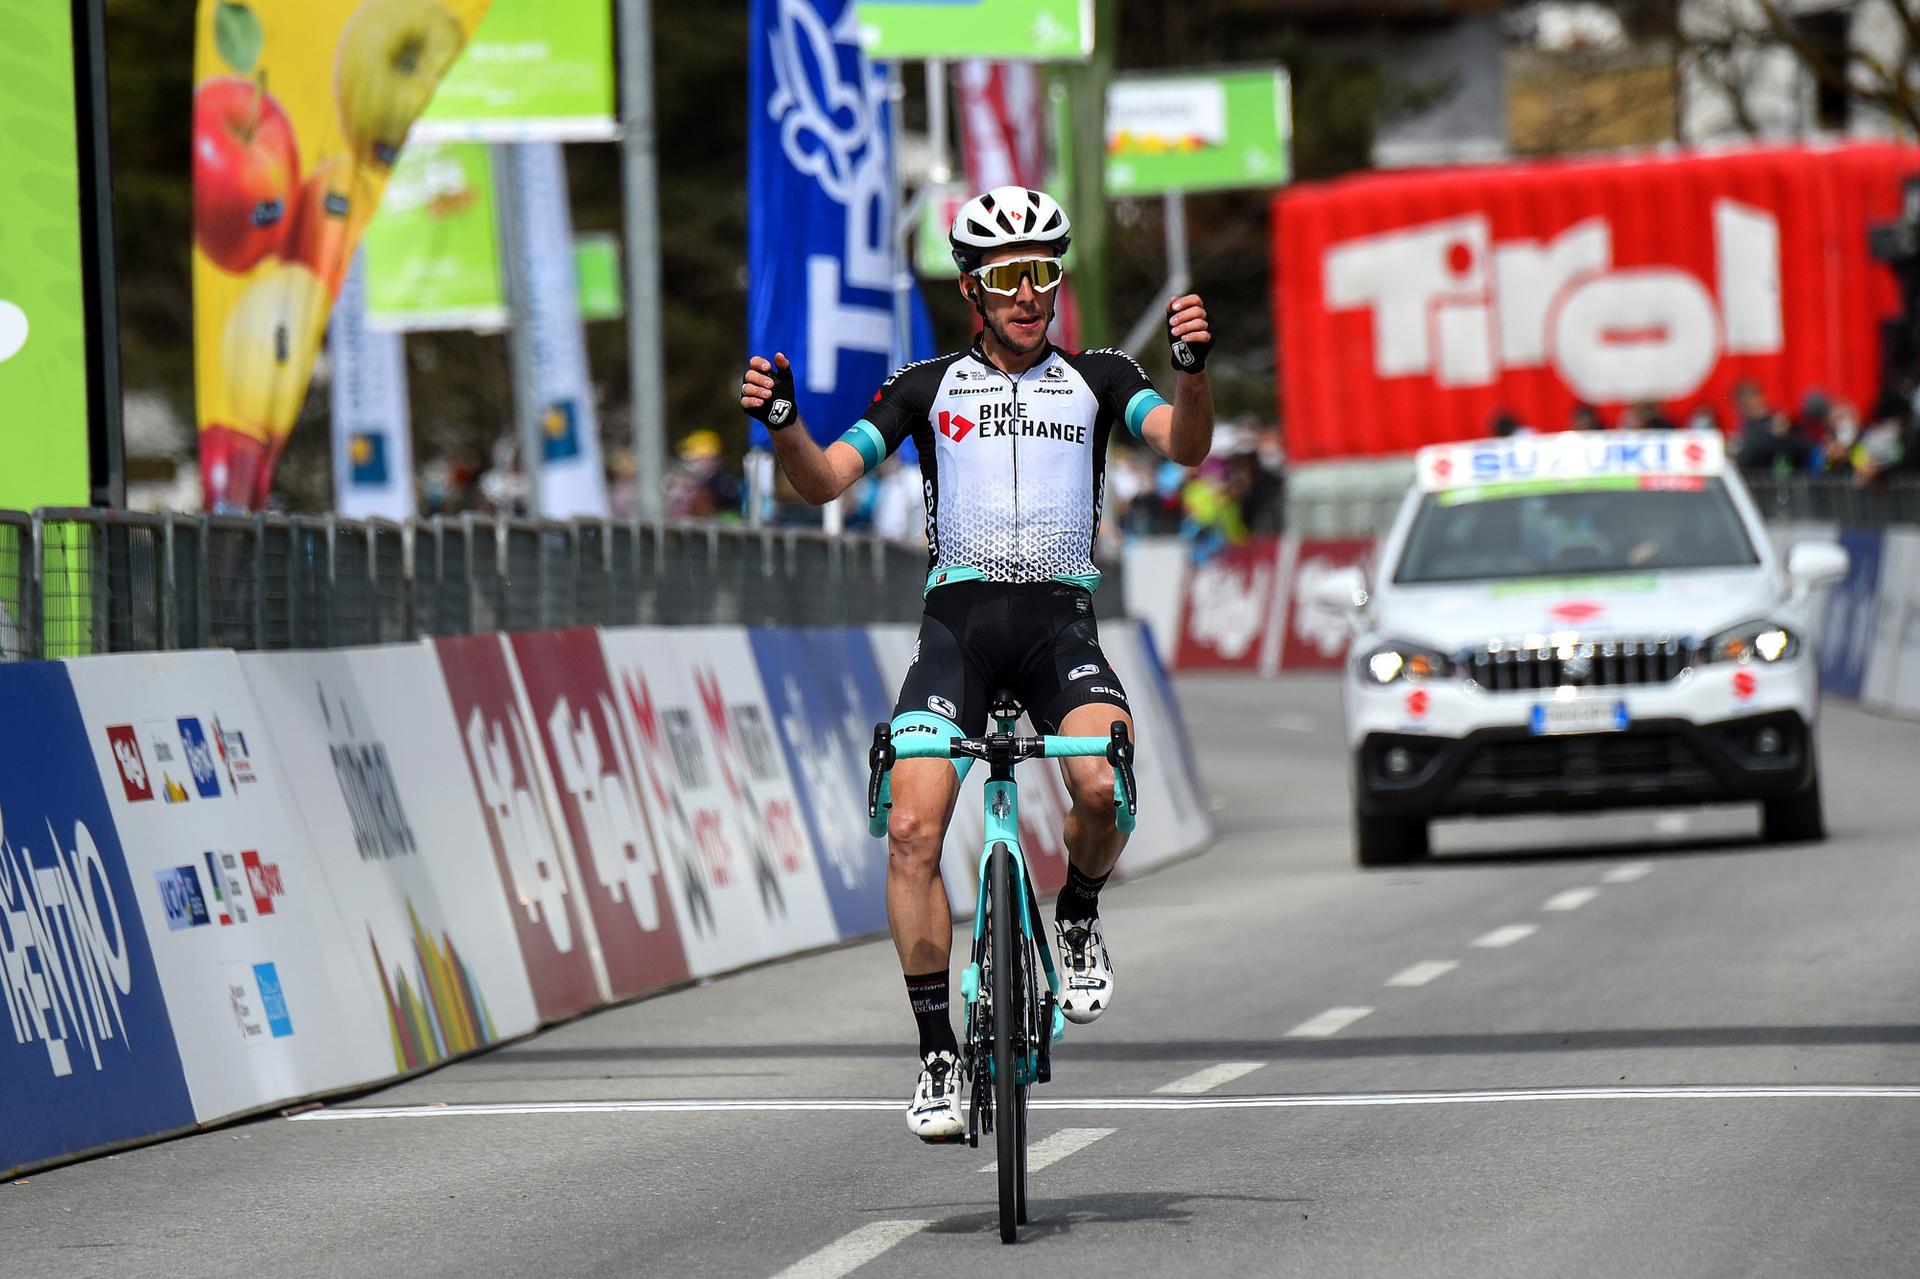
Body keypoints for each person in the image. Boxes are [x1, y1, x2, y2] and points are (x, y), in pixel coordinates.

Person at [739, 184, 1215, 1143]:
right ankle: (935, 1052)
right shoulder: (924, 386)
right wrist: (786, 421)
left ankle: (1076, 914)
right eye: (1007, 277)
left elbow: (1188, 446)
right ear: (973, 289)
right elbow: (826, 477)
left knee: (1102, 784)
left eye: (1043, 272)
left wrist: (1193, 371)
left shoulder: (1102, 376)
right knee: (912, 830)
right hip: (955, 632)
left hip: (1060, 630)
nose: (1028, 293)